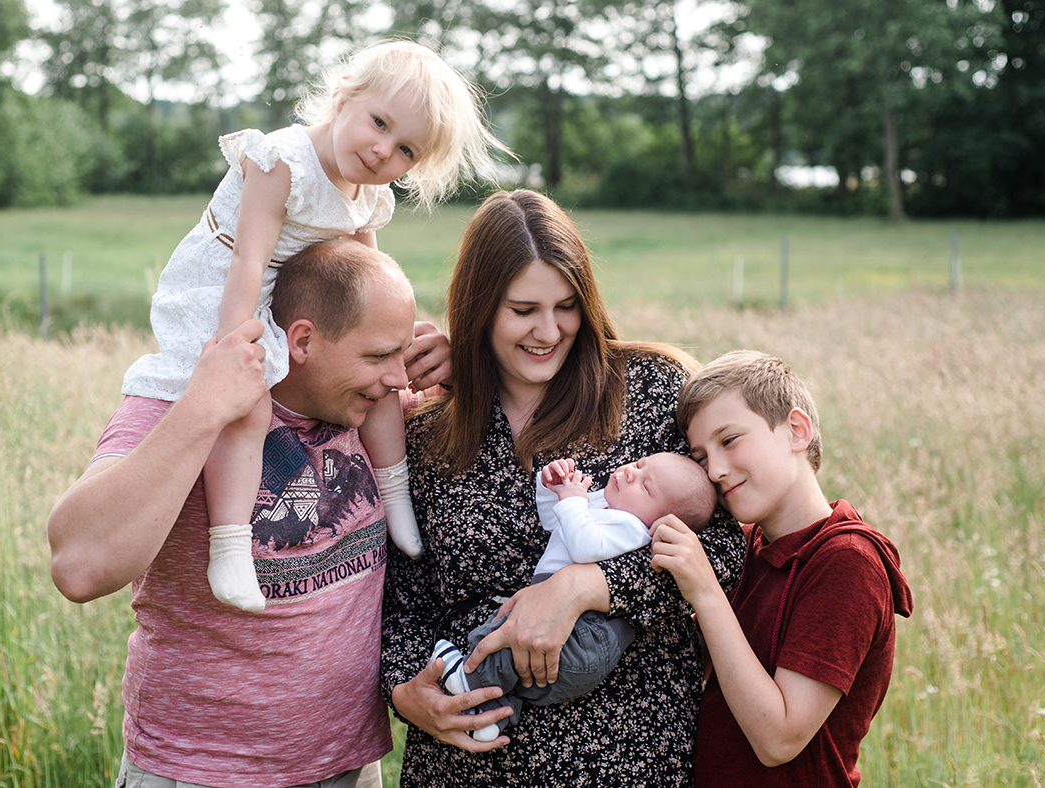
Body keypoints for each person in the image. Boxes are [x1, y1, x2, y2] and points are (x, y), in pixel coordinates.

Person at [119, 39, 508, 612]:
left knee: (382, 376)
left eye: (405, 150)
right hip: (225, 290)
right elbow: (249, 259)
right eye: (378, 123)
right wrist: (234, 348)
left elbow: (367, 275)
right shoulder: (282, 161)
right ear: (345, 96)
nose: (382, 152)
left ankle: (395, 494)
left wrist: (392, 344)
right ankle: (229, 547)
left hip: (288, 295)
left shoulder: (369, 194)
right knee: (246, 401)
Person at [379, 189, 747, 788]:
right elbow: (395, 598)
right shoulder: (427, 433)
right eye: (523, 310)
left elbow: (727, 553)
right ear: (477, 310)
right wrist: (407, 693)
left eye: (567, 306)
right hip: (470, 766)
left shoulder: (653, 392)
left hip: (625, 758)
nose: (549, 331)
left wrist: (589, 584)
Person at [48, 239, 449, 788]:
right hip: (198, 772)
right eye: (379, 356)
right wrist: (204, 407)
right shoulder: (175, 404)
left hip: (348, 768)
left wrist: (455, 371)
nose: (397, 377)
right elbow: (79, 566)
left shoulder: (376, 410)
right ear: (303, 341)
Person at [650, 349, 914, 787]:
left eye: (729, 440)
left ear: (796, 430)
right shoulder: (749, 546)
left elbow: (779, 740)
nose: (714, 470)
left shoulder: (847, 561)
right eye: (700, 457)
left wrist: (706, 592)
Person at [432, 451, 716, 742]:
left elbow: (584, 547)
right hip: (577, 639)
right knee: (522, 670)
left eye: (645, 487)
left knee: (508, 629)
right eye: (639, 465)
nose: (631, 473)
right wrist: (552, 488)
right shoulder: (603, 505)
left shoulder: (634, 529)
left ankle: (468, 676)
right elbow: (555, 524)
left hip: (583, 635)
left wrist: (572, 501)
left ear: (660, 520)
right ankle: (492, 715)